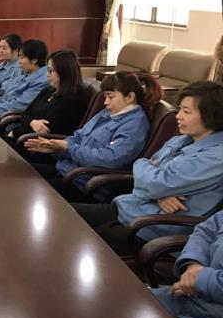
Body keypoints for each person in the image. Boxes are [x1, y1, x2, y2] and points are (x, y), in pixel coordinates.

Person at [71, 82, 223, 252]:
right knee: (63, 214)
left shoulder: (216, 156)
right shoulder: (181, 140)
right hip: (130, 209)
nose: (178, 116)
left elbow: (155, 182)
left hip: (149, 229)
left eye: (186, 112)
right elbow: (144, 166)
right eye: (180, 109)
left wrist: (156, 186)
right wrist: (158, 193)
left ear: (211, 115)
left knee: (72, 239)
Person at [26, 72, 160, 203]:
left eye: (111, 97)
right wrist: (57, 147)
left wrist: (68, 148)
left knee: (30, 191)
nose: (106, 102)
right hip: (67, 170)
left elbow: (111, 159)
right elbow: (78, 137)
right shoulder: (108, 113)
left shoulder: (134, 125)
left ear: (130, 97)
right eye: (105, 96)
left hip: (84, 184)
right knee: (24, 174)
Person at [150, 210, 223, 318]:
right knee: (122, 309)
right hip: (188, 298)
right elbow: (206, 231)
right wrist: (193, 265)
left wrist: (200, 279)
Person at [6, 49, 85, 141]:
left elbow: (45, 131)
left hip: (38, 144)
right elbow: (25, 114)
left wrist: (15, 132)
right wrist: (32, 122)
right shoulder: (48, 91)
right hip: (26, 137)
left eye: (50, 71)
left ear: (63, 72)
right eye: (47, 70)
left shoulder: (72, 101)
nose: (47, 75)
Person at [0, 39, 49, 125]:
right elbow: (8, 95)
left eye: (22, 57)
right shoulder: (25, 73)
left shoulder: (43, 81)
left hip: (13, 122)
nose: (19, 61)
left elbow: (19, 105)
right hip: (0, 115)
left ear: (34, 60)